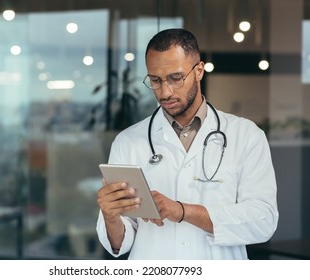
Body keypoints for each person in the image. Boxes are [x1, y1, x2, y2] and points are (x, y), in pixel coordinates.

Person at [96, 28, 279, 259]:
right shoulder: (128, 141)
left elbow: (264, 220)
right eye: (155, 80)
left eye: (176, 78)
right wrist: (110, 217)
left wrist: (183, 211)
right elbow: (121, 241)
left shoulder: (246, 135)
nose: (165, 92)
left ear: (199, 71)